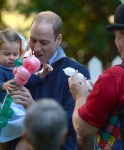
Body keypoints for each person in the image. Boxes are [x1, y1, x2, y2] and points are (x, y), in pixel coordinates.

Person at [68, 3, 124, 150]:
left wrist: (80, 96)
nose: (116, 42)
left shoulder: (117, 76)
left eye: (116, 36)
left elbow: (83, 128)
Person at [8, 11, 91, 150]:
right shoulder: (17, 67)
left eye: (44, 42)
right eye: (33, 40)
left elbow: (73, 122)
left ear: (58, 39)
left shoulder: (75, 72)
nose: (36, 48)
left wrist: (34, 108)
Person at [0, 29, 52, 150]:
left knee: (26, 131)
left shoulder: (19, 67)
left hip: (16, 109)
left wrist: (41, 74)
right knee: (3, 139)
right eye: (6, 54)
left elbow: (28, 79)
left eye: (15, 53)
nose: (12, 58)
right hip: (3, 108)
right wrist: (3, 86)